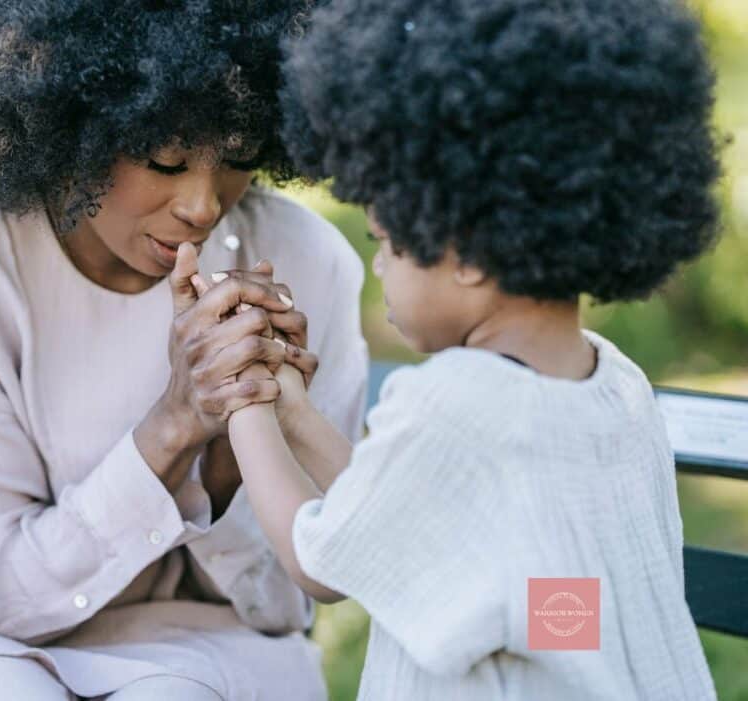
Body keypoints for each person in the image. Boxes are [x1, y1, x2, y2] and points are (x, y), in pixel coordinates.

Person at [0, 2, 368, 699]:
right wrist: (174, 425)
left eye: (239, 155)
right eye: (166, 157)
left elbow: (293, 593)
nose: (203, 205)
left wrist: (230, 458)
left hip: (197, 639)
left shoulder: (305, 263)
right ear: (76, 119)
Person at [222, 0, 723, 698]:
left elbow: (322, 559)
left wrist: (241, 401)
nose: (379, 268)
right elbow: (427, 540)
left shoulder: (454, 400)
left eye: (386, 242)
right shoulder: (618, 387)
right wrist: (299, 414)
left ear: (467, 257)